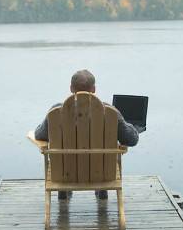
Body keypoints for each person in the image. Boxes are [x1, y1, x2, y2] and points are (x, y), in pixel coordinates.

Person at [35, 69, 139, 199]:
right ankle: (102, 191)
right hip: (102, 173)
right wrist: (130, 126)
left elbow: (39, 135)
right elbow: (132, 139)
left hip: (64, 172)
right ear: (94, 89)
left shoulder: (56, 112)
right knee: (101, 160)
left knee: (61, 157)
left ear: (71, 88)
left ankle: (63, 193)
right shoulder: (110, 113)